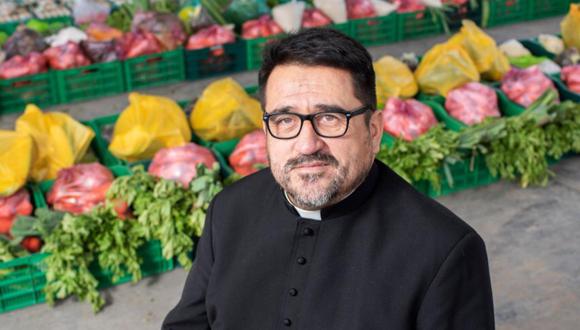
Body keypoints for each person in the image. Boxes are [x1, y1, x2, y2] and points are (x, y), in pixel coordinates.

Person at [162, 28, 495, 329]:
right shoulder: (230, 209)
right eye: (285, 121)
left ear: (374, 131)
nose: (307, 144)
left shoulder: (445, 250)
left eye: (330, 118)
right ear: (267, 130)